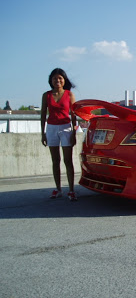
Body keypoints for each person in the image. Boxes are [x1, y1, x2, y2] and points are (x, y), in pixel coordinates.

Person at [41, 68, 77, 201]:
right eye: (55, 78)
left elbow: (74, 115)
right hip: (51, 128)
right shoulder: (47, 95)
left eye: (60, 78)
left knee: (68, 160)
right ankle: (58, 188)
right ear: (51, 81)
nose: (58, 80)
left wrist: (74, 131)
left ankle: (72, 190)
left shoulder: (69, 95)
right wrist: (43, 133)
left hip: (65, 128)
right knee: (55, 160)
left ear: (64, 80)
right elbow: (43, 114)